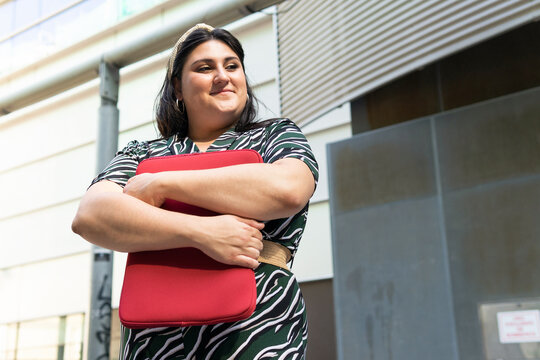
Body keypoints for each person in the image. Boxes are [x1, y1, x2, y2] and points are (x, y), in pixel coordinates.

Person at [72, 23, 318, 359]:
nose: (222, 76)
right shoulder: (142, 152)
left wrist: (162, 183)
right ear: (177, 87)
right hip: (155, 335)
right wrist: (203, 232)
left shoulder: (275, 136)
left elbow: (288, 189)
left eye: (232, 66)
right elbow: (91, 215)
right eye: (205, 68)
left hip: (257, 328)